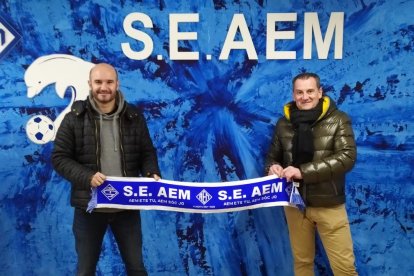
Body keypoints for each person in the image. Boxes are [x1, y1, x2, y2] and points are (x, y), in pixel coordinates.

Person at [52, 63, 161, 276]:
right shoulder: (74, 118)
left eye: (109, 82)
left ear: (117, 84)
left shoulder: (134, 116)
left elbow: (147, 152)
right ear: (90, 84)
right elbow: (59, 158)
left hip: (127, 208)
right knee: (85, 271)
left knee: (137, 268)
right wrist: (87, 176)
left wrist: (151, 173)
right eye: (99, 82)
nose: (104, 87)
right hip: (89, 209)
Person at [265, 72, 358, 275]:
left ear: (319, 92)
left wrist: (302, 172)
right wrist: (273, 168)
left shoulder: (339, 119)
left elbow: (347, 157)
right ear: (293, 94)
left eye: (309, 91)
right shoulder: (283, 123)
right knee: (302, 264)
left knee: (344, 269)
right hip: (295, 204)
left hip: (329, 204)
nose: (304, 97)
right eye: (299, 92)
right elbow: (272, 157)